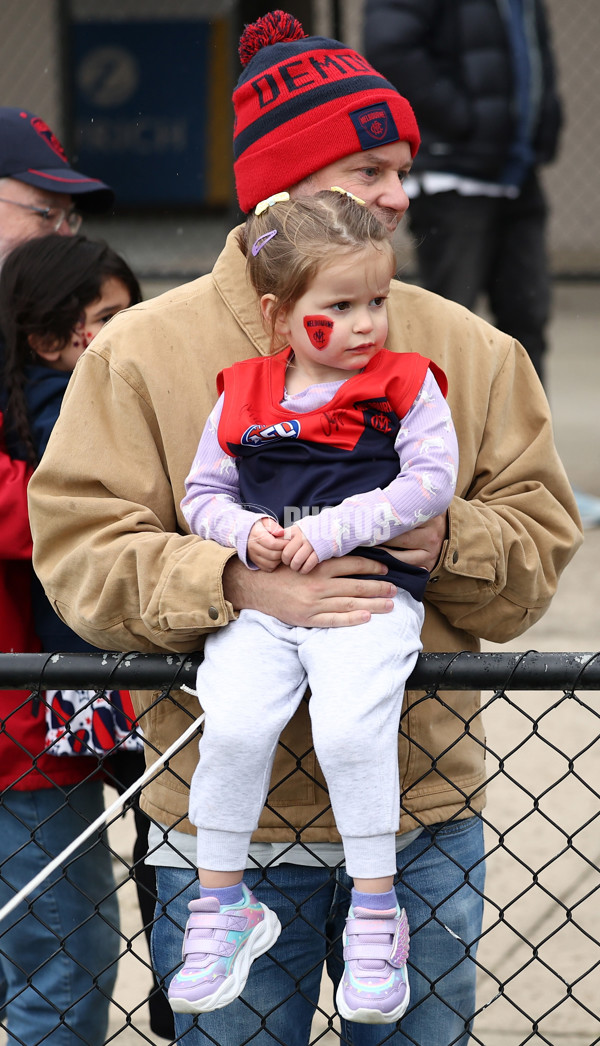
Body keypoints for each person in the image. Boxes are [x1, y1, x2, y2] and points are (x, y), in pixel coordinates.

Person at [27, 10, 582, 1046]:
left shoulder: (471, 350)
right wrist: (239, 581)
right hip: (222, 828)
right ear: (282, 197)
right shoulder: (140, 354)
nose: (400, 194)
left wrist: (437, 539)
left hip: (422, 817)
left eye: (402, 169)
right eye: (370, 170)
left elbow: (539, 548)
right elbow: (79, 554)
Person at [169, 189, 458, 1021]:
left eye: (377, 301)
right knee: (234, 724)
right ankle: (223, 905)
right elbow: (202, 494)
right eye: (340, 308)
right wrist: (245, 536)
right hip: (264, 602)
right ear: (279, 315)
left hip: (368, 596)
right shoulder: (243, 392)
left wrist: (339, 527)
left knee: (349, 730)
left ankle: (376, 912)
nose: (367, 323)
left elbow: (430, 482)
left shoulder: (407, 385)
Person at [0, 232, 175, 1042]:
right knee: (65, 955)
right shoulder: (54, 409)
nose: (129, 329)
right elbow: (52, 513)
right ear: (48, 337)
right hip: (52, 703)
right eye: (109, 317)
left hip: (87, 691)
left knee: (156, 864)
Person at [0, 108, 121, 1046]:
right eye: (45, 212)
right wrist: (109, 506)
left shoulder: (41, 334)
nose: (62, 232)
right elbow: (45, 510)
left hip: (41, 725)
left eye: (71, 217)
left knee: (62, 961)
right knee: (61, 967)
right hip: (21, 733)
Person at [363, 0, 561, 390]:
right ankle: (438, 428)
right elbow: (392, 49)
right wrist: (463, 120)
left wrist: (543, 121)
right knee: (447, 327)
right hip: (453, 174)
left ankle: (525, 429)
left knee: (527, 321)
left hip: (517, 171)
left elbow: (532, 50)